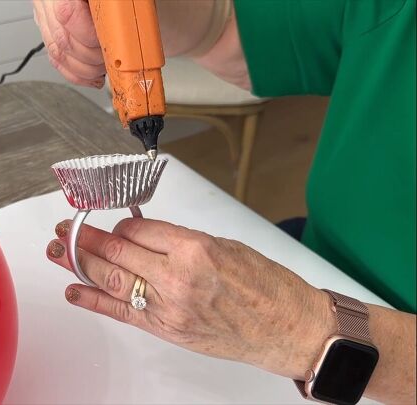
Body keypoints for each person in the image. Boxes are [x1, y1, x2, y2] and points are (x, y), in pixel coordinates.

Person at [35, 0, 416, 403]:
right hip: (319, 252)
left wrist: (307, 332)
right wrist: (128, 14)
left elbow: (303, 331)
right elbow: (229, 33)